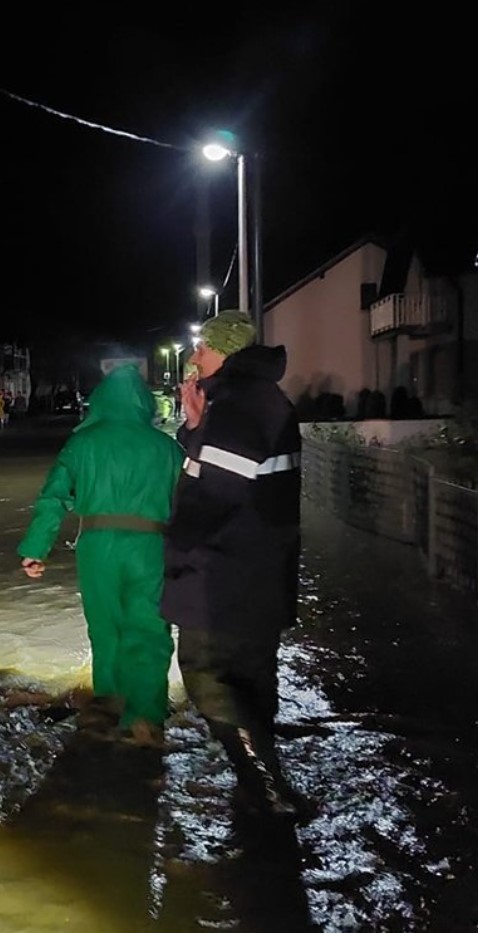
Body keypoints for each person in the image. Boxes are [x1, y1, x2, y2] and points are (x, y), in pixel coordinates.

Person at [162, 311, 308, 818]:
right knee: (249, 681)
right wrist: (197, 428)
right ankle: (259, 792)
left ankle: (270, 792)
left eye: (203, 347)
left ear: (225, 351)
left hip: (224, 576)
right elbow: (228, 472)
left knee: (207, 676)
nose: (195, 356)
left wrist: (172, 549)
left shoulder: (242, 404)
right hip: (257, 574)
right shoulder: (256, 401)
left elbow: (213, 495)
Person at [18, 364, 185, 745]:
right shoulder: (168, 447)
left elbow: (53, 498)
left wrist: (35, 549)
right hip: (151, 546)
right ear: (144, 403)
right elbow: (188, 505)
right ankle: (146, 717)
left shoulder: (82, 443)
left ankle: (109, 707)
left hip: (97, 545)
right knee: (149, 628)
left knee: (105, 627)